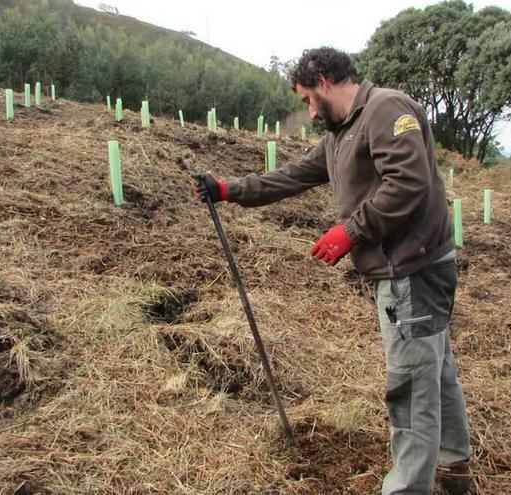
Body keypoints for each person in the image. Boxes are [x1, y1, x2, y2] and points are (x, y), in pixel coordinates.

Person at [193, 47, 472, 495]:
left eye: (307, 98)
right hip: (411, 265)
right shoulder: (342, 133)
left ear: (323, 81)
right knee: (434, 368)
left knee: (412, 387)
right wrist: (230, 189)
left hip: (412, 270)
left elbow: (409, 184)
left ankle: (409, 487)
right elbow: (294, 175)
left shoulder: (386, 109)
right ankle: (454, 464)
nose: (308, 109)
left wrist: (351, 231)